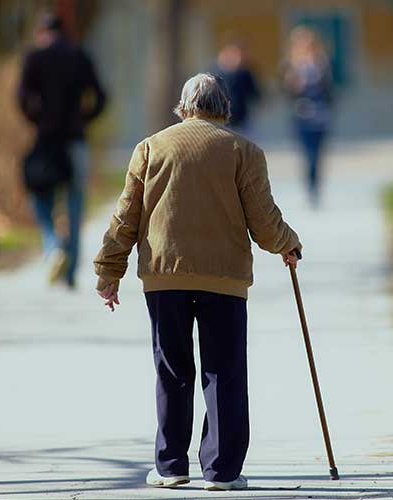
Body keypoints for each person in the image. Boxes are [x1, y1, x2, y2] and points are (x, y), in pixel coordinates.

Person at [93, 73, 302, 491]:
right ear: (224, 107)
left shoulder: (150, 148)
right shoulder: (243, 151)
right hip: (223, 277)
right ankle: (222, 471)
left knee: (172, 369)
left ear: (183, 107)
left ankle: (171, 466)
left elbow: (125, 218)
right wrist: (288, 244)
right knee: (223, 369)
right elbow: (263, 220)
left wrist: (108, 270)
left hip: (163, 276)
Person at [18, 14, 107, 288]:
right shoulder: (79, 56)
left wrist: (36, 120)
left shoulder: (34, 57)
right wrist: (84, 119)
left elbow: (22, 97)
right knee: (75, 204)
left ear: (41, 32)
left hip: (45, 140)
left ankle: (53, 243)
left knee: (38, 194)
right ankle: (69, 273)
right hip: (74, 140)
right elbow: (101, 96)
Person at [281, 26, 334, 207]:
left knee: (318, 154)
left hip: (320, 116)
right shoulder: (291, 66)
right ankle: (310, 188)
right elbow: (285, 91)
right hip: (301, 115)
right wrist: (293, 84)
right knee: (307, 154)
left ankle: (315, 187)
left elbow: (329, 91)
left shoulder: (322, 64)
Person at [210, 38, 260, 134]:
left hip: (241, 120)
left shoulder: (245, 72)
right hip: (219, 120)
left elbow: (255, 94)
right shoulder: (214, 72)